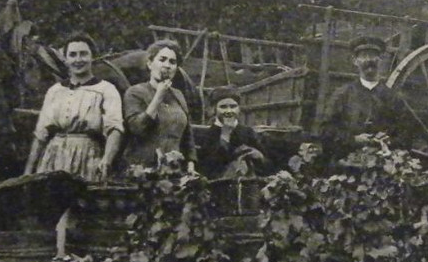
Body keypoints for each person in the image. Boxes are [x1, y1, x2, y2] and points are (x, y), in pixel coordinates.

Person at [23, 32, 123, 183]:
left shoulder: (106, 90)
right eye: (73, 55)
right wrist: (28, 172)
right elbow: (41, 134)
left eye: (83, 54)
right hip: (53, 158)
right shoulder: (55, 91)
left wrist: (106, 161)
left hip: (88, 158)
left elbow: (115, 129)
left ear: (92, 57)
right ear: (66, 59)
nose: (78, 60)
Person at [321, 35, 417, 164]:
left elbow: (407, 134)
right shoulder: (342, 95)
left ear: (380, 60)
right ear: (355, 61)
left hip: (385, 164)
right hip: (347, 165)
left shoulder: (393, 97)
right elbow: (326, 130)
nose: (369, 61)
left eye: (373, 56)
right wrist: (353, 139)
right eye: (364, 56)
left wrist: (388, 141)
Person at [121, 39, 194, 170]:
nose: (167, 65)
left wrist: (190, 164)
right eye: (162, 59)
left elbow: (187, 135)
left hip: (174, 169)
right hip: (142, 169)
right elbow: (138, 128)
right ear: (150, 64)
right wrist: (159, 95)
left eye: (172, 62)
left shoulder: (178, 95)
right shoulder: (135, 92)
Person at [192, 87, 269, 179]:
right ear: (214, 109)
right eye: (223, 107)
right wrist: (225, 135)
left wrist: (260, 157)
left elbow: (268, 167)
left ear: (239, 108)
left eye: (233, 106)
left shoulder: (248, 132)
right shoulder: (206, 135)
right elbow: (206, 169)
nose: (229, 111)